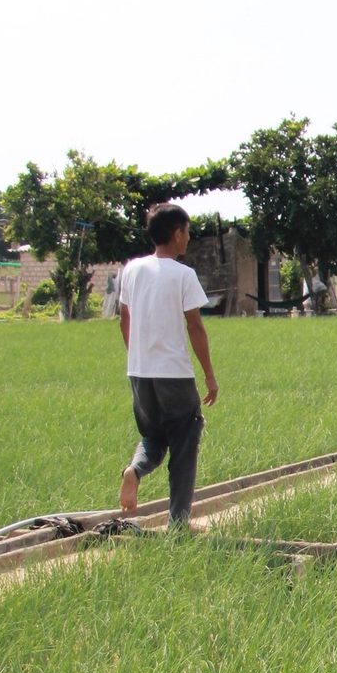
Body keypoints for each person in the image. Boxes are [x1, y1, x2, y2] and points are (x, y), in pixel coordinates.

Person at [115, 203, 219, 528]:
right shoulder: (183, 275)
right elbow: (195, 327)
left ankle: (135, 470)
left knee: (153, 437)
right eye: (187, 232)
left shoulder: (132, 269)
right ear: (176, 234)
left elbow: (124, 317)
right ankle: (178, 523)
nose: (188, 238)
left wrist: (138, 354)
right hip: (174, 374)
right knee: (185, 443)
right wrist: (210, 376)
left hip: (139, 373)